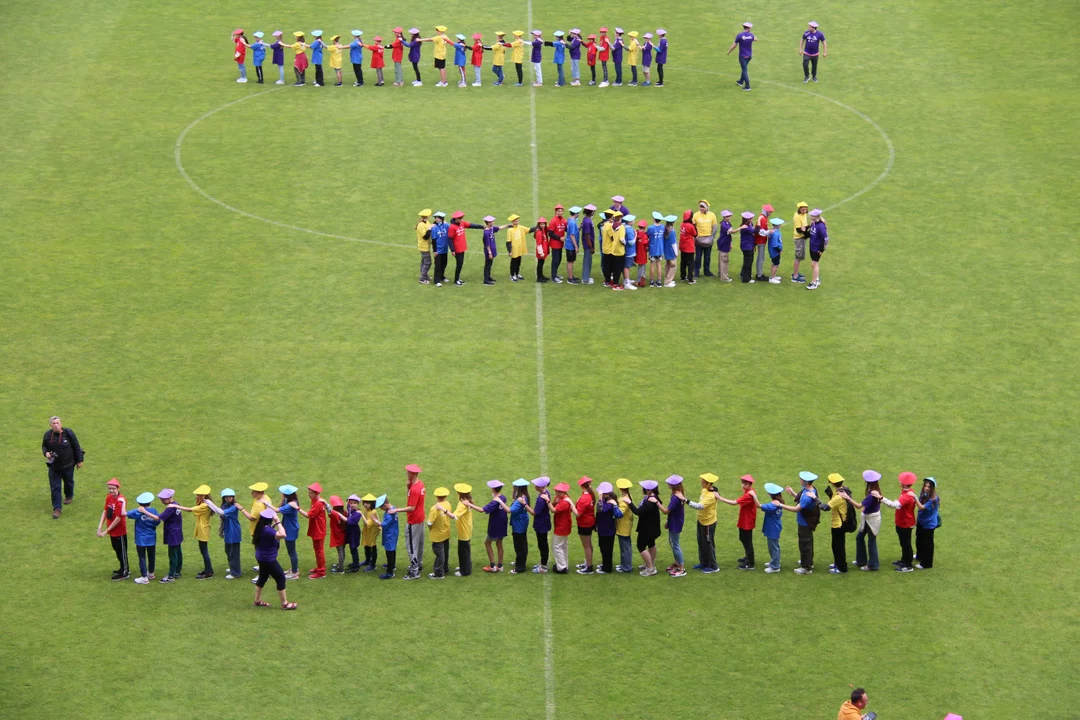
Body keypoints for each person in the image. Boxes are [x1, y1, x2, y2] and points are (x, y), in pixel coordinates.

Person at [252, 508, 297, 610]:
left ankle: (257, 600)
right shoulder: (268, 530)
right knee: (280, 577)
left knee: (263, 577)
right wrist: (278, 522)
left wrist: (274, 525)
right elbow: (283, 534)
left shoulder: (261, 527)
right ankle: (284, 603)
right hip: (268, 559)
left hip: (261, 557)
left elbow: (269, 533)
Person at [42, 415, 84, 518]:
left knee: (68, 482)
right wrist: (46, 453)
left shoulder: (68, 433)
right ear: (50, 425)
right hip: (54, 467)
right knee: (55, 487)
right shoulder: (47, 435)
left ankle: (69, 496)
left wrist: (79, 460)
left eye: (58, 423)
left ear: (61, 424)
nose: (56, 425)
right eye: (54, 424)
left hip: (68, 465)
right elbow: (44, 446)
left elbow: (76, 446)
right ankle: (57, 509)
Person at [717, 475, 758, 570]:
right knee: (743, 538)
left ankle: (750, 563)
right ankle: (748, 557)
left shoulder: (748, 495)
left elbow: (734, 503)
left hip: (747, 521)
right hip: (745, 520)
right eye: (743, 483)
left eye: (745, 484)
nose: (743, 485)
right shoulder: (749, 492)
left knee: (747, 541)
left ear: (750, 484)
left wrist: (720, 498)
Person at [757, 482, 799, 573]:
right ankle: (774, 561)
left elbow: (759, 506)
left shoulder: (773, 505)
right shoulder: (778, 503)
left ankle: (775, 566)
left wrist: (753, 496)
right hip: (775, 527)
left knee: (773, 546)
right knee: (774, 546)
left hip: (772, 528)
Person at [881, 471, 917, 571]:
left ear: (904, 483)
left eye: (901, 481)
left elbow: (895, 505)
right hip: (903, 522)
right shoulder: (908, 492)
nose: (899, 481)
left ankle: (908, 565)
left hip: (905, 523)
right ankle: (904, 560)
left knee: (906, 544)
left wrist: (881, 498)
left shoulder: (907, 496)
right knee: (904, 543)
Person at [786, 471, 821, 574]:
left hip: (804, 523)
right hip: (805, 522)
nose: (800, 480)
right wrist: (792, 493)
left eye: (801, 479)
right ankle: (808, 562)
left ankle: (806, 567)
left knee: (804, 544)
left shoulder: (807, 496)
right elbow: (801, 499)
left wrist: (781, 506)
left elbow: (797, 508)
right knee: (808, 543)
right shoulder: (810, 490)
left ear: (805, 482)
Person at [470, 479, 508, 572]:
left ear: (493, 489)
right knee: (499, 543)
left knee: (487, 543)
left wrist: (469, 504)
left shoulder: (494, 502)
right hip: (503, 524)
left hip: (495, 526)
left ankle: (492, 566)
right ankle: (500, 565)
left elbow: (482, 510)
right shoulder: (503, 498)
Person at [97, 478, 129, 580]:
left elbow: (118, 519)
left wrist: (106, 531)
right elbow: (105, 511)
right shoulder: (109, 498)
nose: (111, 491)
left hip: (119, 531)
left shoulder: (120, 501)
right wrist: (100, 526)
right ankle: (122, 568)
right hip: (112, 531)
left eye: (113, 488)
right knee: (117, 550)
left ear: (118, 488)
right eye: (109, 488)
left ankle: (125, 571)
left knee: (122, 552)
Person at [126, 492, 160, 584]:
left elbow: (126, 514)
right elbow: (157, 522)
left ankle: (144, 577)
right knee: (151, 556)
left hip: (140, 539)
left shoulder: (138, 511)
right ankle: (151, 573)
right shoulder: (154, 511)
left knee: (142, 557)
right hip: (151, 537)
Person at [690, 473, 720, 573]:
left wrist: (686, 500)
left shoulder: (711, 496)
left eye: (703, 482)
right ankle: (704, 562)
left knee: (708, 544)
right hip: (701, 520)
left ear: (708, 484)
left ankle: (713, 566)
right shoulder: (705, 490)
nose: (701, 483)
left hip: (708, 523)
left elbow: (699, 506)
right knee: (701, 542)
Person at [186, 484, 217, 579]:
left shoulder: (204, 505)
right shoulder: (204, 504)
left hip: (203, 530)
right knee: (203, 550)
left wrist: (175, 506)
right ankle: (208, 569)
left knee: (204, 551)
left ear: (203, 496)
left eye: (198, 495)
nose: (196, 496)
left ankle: (209, 571)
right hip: (202, 529)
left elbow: (189, 510)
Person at [400, 463, 426, 579]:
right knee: (419, 543)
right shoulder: (420, 485)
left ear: (413, 474)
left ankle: (414, 571)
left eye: (408, 472)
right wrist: (408, 488)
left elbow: (411, 507)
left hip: (413, 519)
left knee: (411, 545)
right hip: (420, 517)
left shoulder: (415, 489)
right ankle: (418, 564)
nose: (407, 474)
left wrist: (397, 510)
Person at [855, 470, 883, 571]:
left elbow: (858, 506)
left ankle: (873, 565)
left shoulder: (872, 494)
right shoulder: (875, 490)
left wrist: (848, 498)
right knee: (860, 537)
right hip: (870, 518)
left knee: (871, 541)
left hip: (872, 520)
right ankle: (861, 560)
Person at [824, 473, 852, 573]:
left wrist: (815, 498)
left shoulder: (839, 496)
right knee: (837, 545)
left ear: (833, 483)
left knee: (838, 546)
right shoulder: (842, 490)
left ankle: (842, 567)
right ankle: (838, 563)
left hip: (838, 525)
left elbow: (826, 507)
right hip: (840, 523)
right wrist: (830, 495)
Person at [300, 482, 328, 579]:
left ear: (316, 494)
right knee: (317, 550)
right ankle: (320, 567)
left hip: (318, 530)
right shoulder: (315, 500)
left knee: (319, 551)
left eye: (311, 493)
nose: (309, 495)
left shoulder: (318, 503)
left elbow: (308, 515)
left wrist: (297, 508)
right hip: (317, 528)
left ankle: (321, 572)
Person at [271, 485, 300, 578]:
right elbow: (279, 507)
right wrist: (282, 500)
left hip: (290, 529)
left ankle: (295, 573)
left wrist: (266, 503)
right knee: (291, 550)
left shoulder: (291, 505)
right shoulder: (289, 501)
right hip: (289, 527)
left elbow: (276, 510)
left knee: (291, 551)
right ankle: (294, 569)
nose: (281, 494)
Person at [156, 489, 183, 583]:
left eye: (163, 499)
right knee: (178, 553)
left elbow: (159, 518)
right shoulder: (177, 504)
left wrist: (144, 511)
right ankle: (177, 572)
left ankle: (171, 576)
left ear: (168, 498)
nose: (161, 501)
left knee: (172, 555)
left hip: (172, 534)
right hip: (178, 533)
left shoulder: (170, 508)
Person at [594, 482, 622, 574]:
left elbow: (600, 509)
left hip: (608, 530)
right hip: (603, 529)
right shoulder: (607, 501)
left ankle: (607, 568)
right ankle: (605, 564)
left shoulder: (610, 503)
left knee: (607, 549)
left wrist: (600, 499)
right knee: (603, 548)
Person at [636, 480, 663, 576]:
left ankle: (650, 568)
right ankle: (650, 563)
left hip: (646, 528)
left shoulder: (648, 502)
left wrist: (629, 502)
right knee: (651, 544)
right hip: (653, 527)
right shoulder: (654, 497)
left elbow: (638, 512)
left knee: (641, 546)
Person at [215, 488, 243, 579]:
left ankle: (236, 572)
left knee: (233, 552)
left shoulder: (234, 506)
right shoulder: (224, 505)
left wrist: (209, 503)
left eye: (230, 496)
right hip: (228, 530)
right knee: (228, 550)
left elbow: (221, 513)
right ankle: (233, 568)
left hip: (233, 530)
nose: (228, 498)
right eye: (226, 497)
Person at [426, 487, 453, 579]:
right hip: (446, 532)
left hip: (437, 534)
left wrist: (431, 529)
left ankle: (438, 573)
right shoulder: (448, 504)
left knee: (439, 553)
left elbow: (429, 523)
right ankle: (445, 567)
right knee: (445, 551)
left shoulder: (434, 509)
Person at [551, 483, 578, 573]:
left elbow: (553, 510)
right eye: (557, 491)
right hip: (564, 525)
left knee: (557, 546)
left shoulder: (564, 502)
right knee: (563, 546)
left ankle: (561, 567)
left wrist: (547, 501)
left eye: (560, 492)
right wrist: (553, 503)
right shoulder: (563, 499)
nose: (557, 493)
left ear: (564, 492)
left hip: (561, 527)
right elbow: (554, 506)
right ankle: (564, 564)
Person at [508, 479, 533, 574]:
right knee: (521, 545)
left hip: (519, 525)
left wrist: (500, 502)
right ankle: (519, 562)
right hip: (521, 523)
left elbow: (510, 510)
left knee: (519, 546)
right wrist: (514, 490)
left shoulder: (520, 500)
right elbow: (514, 497)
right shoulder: (524, 496)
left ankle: (520, 567)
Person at [664, 476, 687, 577]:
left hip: (676, 522)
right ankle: (677, 563)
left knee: (675, 544)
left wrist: (657, 503)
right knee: (672, 542)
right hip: (674, 521)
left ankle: (681, 568)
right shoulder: (678, 494)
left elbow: (666, 511)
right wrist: (668, 521)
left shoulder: (675, 497)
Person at [915, 477, 940, 569]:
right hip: (921, 522)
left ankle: (927, 563)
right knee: (919, 540)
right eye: (925, 486)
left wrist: (914, 498)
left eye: (929, 487)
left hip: (928, 525)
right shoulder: (924, 494)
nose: (926, 488)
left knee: (927, 544)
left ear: (932, 488)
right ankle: (919, 556)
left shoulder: (933, 499)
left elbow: (921, 507)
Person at [575, 477, 598, 573]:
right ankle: (588, 562)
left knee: (586, 545)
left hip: (584, 524)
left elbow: (578, 513)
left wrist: (571, 506)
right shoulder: (589, 495)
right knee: (588, 544)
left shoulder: (584, 498)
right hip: (590, 521)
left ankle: (589, 567)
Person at [452, 484, 474, 576]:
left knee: (463, 550)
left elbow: (454, 515)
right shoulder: (466, 500)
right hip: (467, 528)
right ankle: (465, 566)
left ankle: (465, 570)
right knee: (465, 549)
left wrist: (444, 511)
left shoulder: (462, 504)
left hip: (463, 530)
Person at [530, 477, 552, 571]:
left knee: (542, 544)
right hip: (544, 522)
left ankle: (543, 566)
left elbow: (535, 512)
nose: (535, 486)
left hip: (541, 524)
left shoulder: (541, 498)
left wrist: (525, 505)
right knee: (542, 544)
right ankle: (542, 563)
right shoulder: (546, 493)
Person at [614, 478, 636, 572]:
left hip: (623, 526)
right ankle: (624, 565)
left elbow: (620, 513)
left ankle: (626, 567)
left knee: (625, 548)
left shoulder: (624, 500)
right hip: (625, 525)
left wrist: (614, 506)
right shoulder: (628, 496)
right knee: (624, 547)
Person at [727, 22, 756, 90]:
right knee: (744, 68)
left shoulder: (740, 35)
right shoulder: (751, 35)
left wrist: (729, 51)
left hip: (742, 56)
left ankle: (748, 86)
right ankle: (741, 81)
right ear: (748, 28)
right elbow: (755, 39)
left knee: (744, 70)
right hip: (749, 56)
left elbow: (734, 45)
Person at [692, 200, 717, 278]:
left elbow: (715, 227)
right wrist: (695, 236)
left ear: (706, 207)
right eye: (700, 206)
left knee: (707, 256)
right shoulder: (696, 215)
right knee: (698, 256)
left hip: (708, 239)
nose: (701, 208)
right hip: (699, 239)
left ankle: (707, 271)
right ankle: (696, 271)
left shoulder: (712, 215)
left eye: (703, 207)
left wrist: (712, 237)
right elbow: (693, 226)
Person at [378, 495, 399, 579]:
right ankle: (392, 565)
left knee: (389, 552)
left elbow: (384, 524)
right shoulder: (392, 509)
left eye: (381, 507)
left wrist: (375, 520)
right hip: (393, 533)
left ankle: (390, 572)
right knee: (392, 551)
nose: (381, 509)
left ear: (385, 505)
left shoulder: (389, 513)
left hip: (390, 535)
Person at [807, 208, 828, 290]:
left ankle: (814, 282)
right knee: (815, 264)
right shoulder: (813, 223)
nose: (810, 216)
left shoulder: (821, 226)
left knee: (814, 264)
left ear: (815, 216)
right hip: (812, 247)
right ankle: (817, 279)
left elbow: (825, 239)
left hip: (817, 248)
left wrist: (821, 250)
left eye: (811, 215)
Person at [327, 495, 347, 573]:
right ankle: (340, 565)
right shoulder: (344, 513)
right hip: (343, 534)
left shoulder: (335, 513)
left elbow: (329, 512)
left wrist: (325, 504)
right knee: (342, 551)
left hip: (338, 535)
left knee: (340, 552)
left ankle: (340, 569)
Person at [360, 493, 380, 571]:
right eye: (365, 502)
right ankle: (367, 560)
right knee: (366, 545)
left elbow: (368, 523)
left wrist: (361, 514)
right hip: (367, 531)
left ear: (372, 504)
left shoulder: (373, 512)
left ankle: (373, 564)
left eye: (368, 503)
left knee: (372, 546)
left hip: (373, 531)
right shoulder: (366, 510)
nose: (365, 504)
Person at [791, 202, 810, 283]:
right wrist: (809, 234)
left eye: (805, 209)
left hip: (802, 237)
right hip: (799, 238)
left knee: (800, 257)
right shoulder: (797, 216)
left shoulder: (804, 214)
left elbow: (804, 227)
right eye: (803, 209)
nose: (804, 211)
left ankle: (796, 273)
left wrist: (809, 227)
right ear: (799, 209)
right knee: (798, 257)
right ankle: (795, 277)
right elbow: (799, 230)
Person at [506, 214, 528, 281]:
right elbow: (508, 241)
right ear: (512, 222)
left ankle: (517, 273)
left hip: (519, 249)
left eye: (517, 221)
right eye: (515, 221)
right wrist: (509, 251)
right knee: (513, 262)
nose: (517, 222)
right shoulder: (510, 230)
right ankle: (512, 275)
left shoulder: (520, 227)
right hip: (514, 249)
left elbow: (529, 230)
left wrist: (537, 227)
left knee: (518, 262)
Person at [548, 204, 567, 282]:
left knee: (559, 259)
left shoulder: (563, 220)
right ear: (555, 211)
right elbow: (550, 233)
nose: (560, 212)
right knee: (555, 260)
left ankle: (555, 274)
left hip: (560, 244)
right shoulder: (553, 221)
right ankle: (553, 276)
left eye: (561, 211)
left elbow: (566, 228)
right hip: (555, 244)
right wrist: (560, 238)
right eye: (559, 211)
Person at [737, 212, 757, 283]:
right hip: (747, 246)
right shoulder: (745, 227)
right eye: (751, 218)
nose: (752, 219)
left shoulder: (750, 225)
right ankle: (746, 278)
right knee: (748, 262)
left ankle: (743, 274)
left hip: (749, 245)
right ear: (747, 219)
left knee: (747, 261)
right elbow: (755, 231)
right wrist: (760, 225)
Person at [755, 204, 774, 281]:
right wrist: (769, 231)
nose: (770, 213)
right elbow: (761, 231)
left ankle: (759, 274)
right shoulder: (763, 219)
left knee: (760, 257)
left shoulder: (762, 217)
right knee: (761, 258)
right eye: (770, 212)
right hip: (760, 241)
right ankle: (759, 275)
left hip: (760, 240)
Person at [415, 208, 433, 284]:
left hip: (426, 246)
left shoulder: (426, 222)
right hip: (423, 247)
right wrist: (429, 229)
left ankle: (424, 275)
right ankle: (422, 278)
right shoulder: (421, 225)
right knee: (428, 262)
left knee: (423, 261)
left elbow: (430, 226)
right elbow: (425, 236)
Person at [679, 209, 698, 283]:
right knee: (690, 263)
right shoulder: (690, 226)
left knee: (683, 262)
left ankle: (683, 276)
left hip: (683, 246)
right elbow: (695, 234)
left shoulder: (682, 224)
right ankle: (690, 279)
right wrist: (694, 225)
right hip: (689, 247)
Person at [580, 205, 597, 283]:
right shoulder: (587, 221)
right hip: (588, 244)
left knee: (588, 260)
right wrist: (591, 247)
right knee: (587, 261)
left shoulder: (586, 219)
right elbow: (587, 235)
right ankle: (585, 279)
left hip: (588, 243)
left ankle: (586, 277)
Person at [717, 209, 734, 282]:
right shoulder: (724, 224)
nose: (729, 218)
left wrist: (730, 242)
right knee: (724, 260)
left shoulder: (727, 223)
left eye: (729, 216)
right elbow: (731, 232)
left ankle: (720, 273)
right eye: (727, 216)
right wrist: (740, 228)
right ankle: (724, 277)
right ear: (724, 217)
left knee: (721, 259)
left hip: (725, 243)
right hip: (723, 244)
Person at [663, 214, 679, 287]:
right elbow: (673, 243)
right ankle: (668, 281)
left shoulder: (665, 229)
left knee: (668, 265)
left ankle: (667, 279)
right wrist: (676, 252)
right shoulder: (672, 231)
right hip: (671, 250)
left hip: (666, 250)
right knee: (673, 266)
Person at [767, 217, 784, 283]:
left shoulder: (774, 232)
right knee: (776, 264)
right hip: (775, 252)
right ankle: (772, 278)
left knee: (774, 263)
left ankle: (773, 276)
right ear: (778, 225)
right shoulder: (775, 234)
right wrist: (779, 250)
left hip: (774, 251)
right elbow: (775, 245)